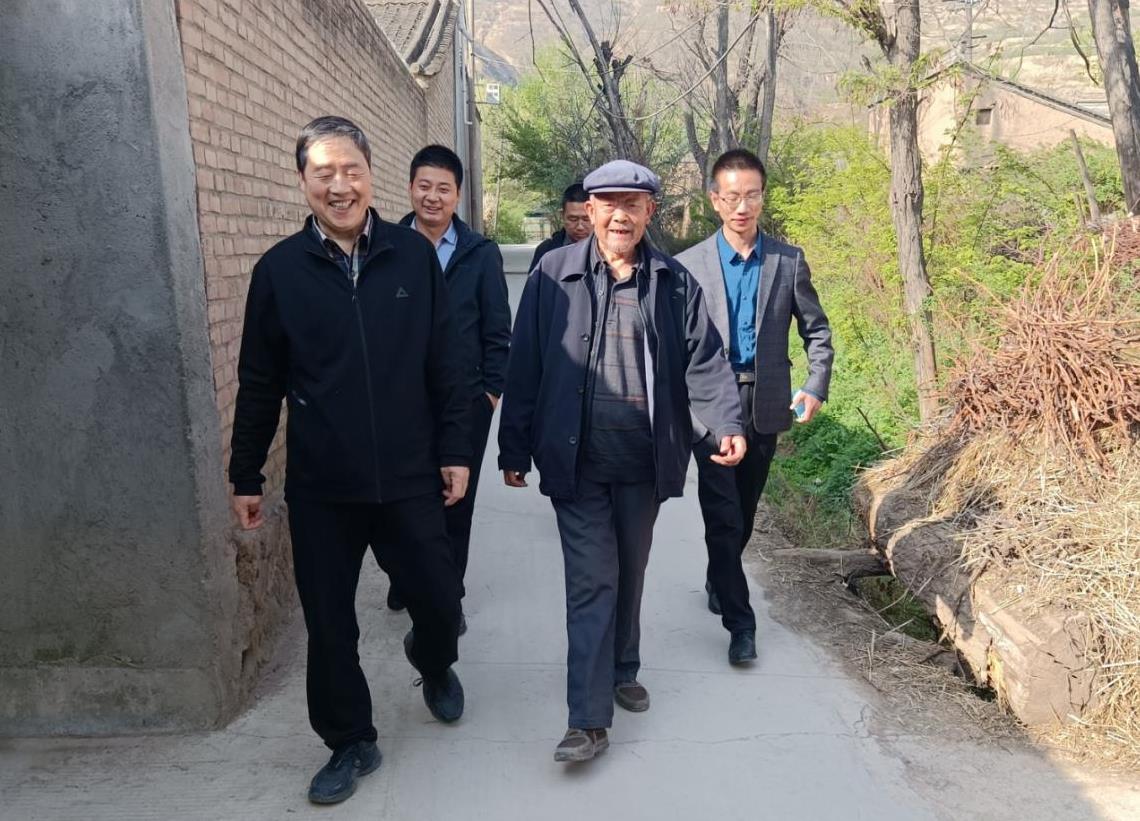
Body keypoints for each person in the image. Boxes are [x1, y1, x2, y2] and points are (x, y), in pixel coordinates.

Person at [229, 116, 470, 806]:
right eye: (323, 173)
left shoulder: (412, 257)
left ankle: (433, 660)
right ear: (303, 181)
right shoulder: (279, 272)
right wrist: (247, 473)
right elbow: (259, 381)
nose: (339, 186)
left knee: (439, 600)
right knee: (330, 622)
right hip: (323, 486)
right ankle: (349, 739)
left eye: (351, 170)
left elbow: (446, 361)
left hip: (409, 474)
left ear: (370, 174)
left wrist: (455, 449)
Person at [498, 159, 747, 763]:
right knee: (592, 581)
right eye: (607, 203)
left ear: (649, 212)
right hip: (576, 461)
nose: (618, 215)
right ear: (589, 209)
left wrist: (725, 423)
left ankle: (623, 666)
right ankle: (587, 721)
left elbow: (704, 361)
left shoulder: (673, 281)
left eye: (631, 204)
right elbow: (525, 364)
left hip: (644, 461)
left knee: (630, 571)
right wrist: (514, 445)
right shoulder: (552, 274)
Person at [676, 148, 833, 666]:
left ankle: (719, 574)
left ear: (763, 198)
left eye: (751, 196)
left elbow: (816, 330)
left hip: (764, 401)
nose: (741, 207)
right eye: (731, 197)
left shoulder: (788, 261)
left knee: (743, 510)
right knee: (722, 514)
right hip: (711, 402)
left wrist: (815, 384)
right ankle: (741, 626)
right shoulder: (689, 267)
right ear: (714, 200)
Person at [383, 145, 511, 631]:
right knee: (400, 500)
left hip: (464, 402)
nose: (432, 197)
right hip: (399, 405)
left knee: (456, 504)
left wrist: (488, 397)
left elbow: (498, 332)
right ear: (410, 188)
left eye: (443, 188)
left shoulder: (479, 255)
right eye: (424, 186)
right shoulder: (386, 247)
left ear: (457, 195)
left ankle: (447, 599)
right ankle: (405, 575)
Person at [528, 182, 592, 270]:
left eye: (586, 219)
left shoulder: (608, 251)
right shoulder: (546, 250)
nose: (580, 227)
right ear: (562, 215)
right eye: (573, 219)